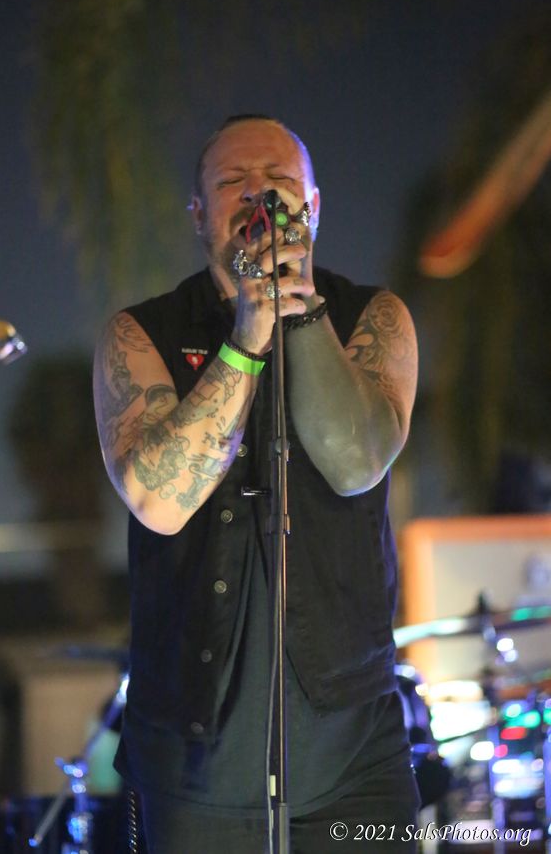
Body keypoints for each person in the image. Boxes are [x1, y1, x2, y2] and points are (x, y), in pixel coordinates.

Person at [93, 114, 419, 853]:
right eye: (233, 182)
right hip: (194, 759)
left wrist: (298, 309)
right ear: (198, 214)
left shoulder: (375, 317)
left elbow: (356, 462)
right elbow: (159, 501)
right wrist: (245, 337)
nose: (259, 198)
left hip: (353, 754)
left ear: (313, 206)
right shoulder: (138, 333)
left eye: (278, 182)